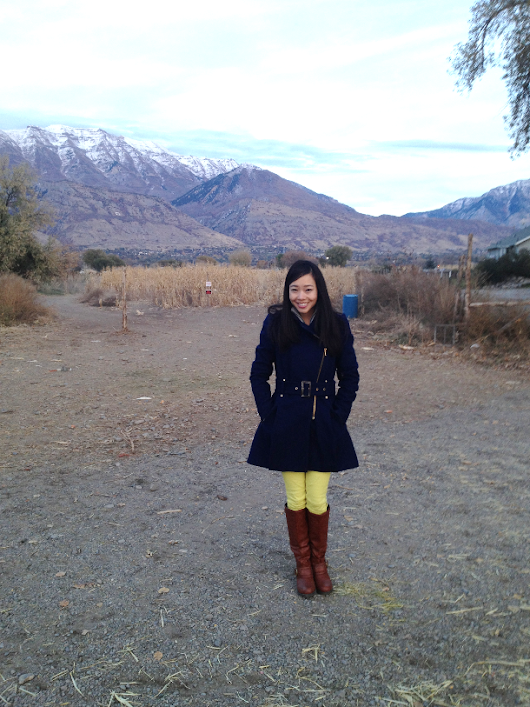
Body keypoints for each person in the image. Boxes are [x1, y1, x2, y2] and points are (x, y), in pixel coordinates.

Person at [248, 260, 359, 597]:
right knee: (296, 497)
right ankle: (303, 566)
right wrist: (269, 415)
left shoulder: (336, 324)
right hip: (288, 422)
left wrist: (338, 416)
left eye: (308, 289)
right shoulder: (276, 323)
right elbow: (258, 373)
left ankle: (319, 563)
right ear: (288, 291)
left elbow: (350, 377)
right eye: (294, 289)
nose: (301, 296)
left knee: (317, 498)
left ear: (318, 290)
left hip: (324, 422)